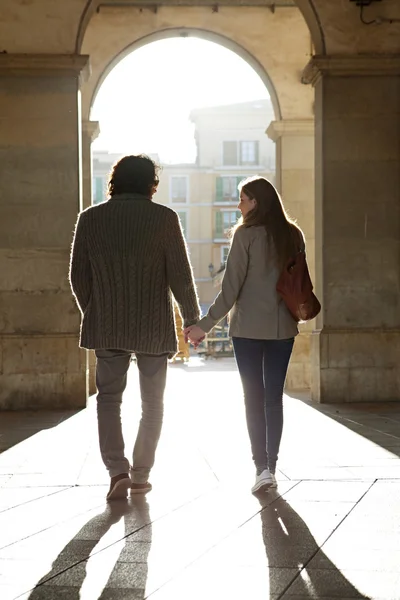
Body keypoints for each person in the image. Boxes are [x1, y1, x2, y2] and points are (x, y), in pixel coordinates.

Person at [70, 155, 200, 501]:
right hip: (153, 326)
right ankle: (141, 475)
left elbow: (78, 276)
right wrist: (191, 319)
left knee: (108, 400)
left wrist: (96, 310)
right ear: (150, 184)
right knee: (153, 404)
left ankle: (117, 471)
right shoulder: (164, 218)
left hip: (107, 324)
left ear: (114, 181)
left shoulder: (91, 218)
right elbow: (181, 277)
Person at [185, 176, 304, 494]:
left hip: (247, 330)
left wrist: (203, 325)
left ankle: (261, 468)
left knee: (254, 398)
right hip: (283, 328)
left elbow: (230, 287)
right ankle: (272, 467)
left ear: (256, 202)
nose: (238, 205)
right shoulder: (293, 235)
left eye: (243, 199)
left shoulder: (245, 235)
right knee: (273, 400)